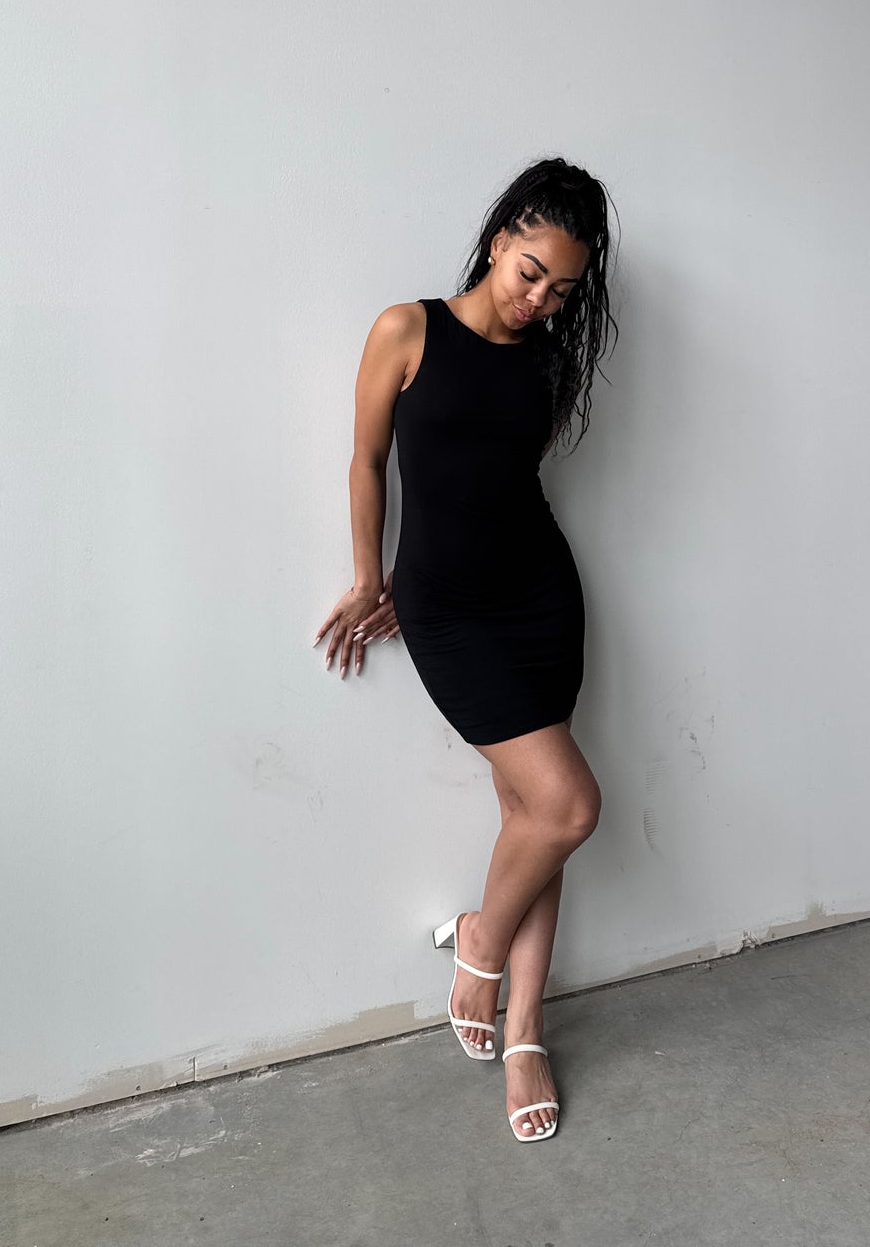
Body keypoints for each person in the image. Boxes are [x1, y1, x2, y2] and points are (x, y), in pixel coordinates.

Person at [313, 156, 620, 1143]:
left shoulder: (548, 362)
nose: (541, 300)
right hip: (447, 611)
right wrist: (374, 581)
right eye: (532, 272)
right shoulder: (407, 330)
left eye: (562, 290)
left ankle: (524, 1029)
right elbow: (367, 461)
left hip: (540, 599)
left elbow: (503, 483)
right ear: (499, 242)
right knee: (569, 807)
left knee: (535, 814)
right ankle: (480, 948)